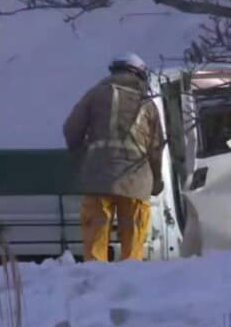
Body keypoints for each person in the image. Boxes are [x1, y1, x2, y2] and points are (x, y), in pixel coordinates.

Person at [62, 52, 165, 262]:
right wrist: (156, 181)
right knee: (133, 251)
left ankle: (95, 280)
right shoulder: (147, 104)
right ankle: (130, 281)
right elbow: (156, 148)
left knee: (95, 248)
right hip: (137, 183)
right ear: (139, 74)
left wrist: (83, 154)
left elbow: (71, 129)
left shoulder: (94, 95)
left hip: (98, 178)